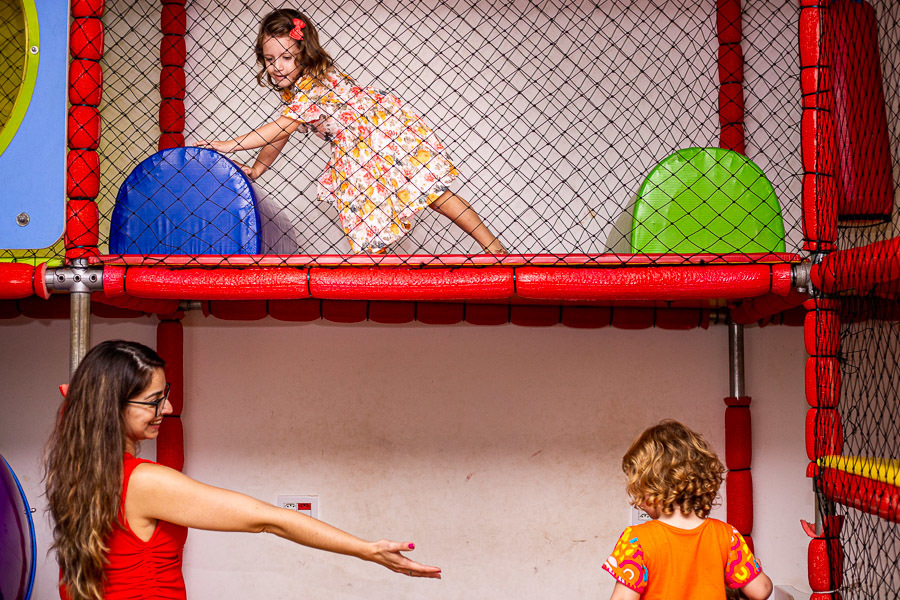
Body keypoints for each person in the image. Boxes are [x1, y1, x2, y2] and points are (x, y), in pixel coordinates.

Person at [44, 340, 441, 600]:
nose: (167, 409)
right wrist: (367, 550)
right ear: (111, 407)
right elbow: (269, 520)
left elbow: (77, 402)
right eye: (153, 401)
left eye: (165, 396)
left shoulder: (77, 470)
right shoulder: (144, 481)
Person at [195, 8, 507, 255]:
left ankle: (494, 248)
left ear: (304, 54)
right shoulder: (296, 92)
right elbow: (282, 133)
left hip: (380, 136)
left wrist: (229, 144)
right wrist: (259, 167)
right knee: (368, 215)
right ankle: (380, 273)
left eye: (286, 58)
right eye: (269, 59)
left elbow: (280, 127)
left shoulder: (314, 84)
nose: (277, 66)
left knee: (432, 193)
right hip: (359, 149)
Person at [602, 420, 773, 600]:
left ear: (652, 487)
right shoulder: (726, 535)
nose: (637, 501)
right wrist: (754, 567)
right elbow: (761, 590)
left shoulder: (636, 540)